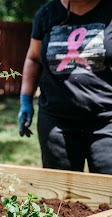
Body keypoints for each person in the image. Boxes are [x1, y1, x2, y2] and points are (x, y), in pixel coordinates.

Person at [18, 0, 112, 174]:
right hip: (57, 123)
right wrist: (26, 100)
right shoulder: (47, 14)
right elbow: (33, 58)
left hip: (106, 122)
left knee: (107, 193)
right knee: (59, 197)